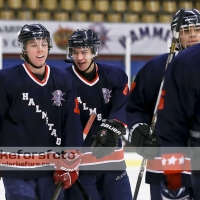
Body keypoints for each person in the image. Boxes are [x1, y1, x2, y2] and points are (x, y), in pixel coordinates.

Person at [0, 24, 83, 200]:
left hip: (51, 169)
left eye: (44, 44)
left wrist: (71, 160)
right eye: (33, 45)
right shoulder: (6, 79)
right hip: (16, 168)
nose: (40, 50)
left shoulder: (64, 79)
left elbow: (72, 123)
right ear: (24, 49)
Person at [126, 8, 200, 200]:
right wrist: (138, 129)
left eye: (198, 29)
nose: (193, 34)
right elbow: (134, 107)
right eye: (186, 30)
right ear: (175, 35)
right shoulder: (156, 68)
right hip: (164, 161)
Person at [65, 29, 132, 200]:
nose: (80, 58)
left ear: (94, 51)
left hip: (112, 162)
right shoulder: (62, 80)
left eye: (84, 52)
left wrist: (110, 130)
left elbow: (123, 106)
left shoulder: (114, 75)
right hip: (80, 166)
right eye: (75, 52)